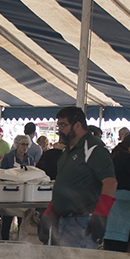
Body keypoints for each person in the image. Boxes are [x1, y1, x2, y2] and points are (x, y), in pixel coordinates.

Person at [39, 107, 117, 249]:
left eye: (63, 125)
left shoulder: (93, 148)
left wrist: (101, 214)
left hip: (82, 221)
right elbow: (64, 184)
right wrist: (49, 214)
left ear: (77, 125)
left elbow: (110, 182)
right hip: (64, 220)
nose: (59, 129)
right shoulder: (67, 151)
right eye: (58, 125)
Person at [0, 135, 35, 240]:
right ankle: (4, 242)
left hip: (24, 193)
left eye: (27, 144)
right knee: (7, 221)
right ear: (16, 145)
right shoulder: (8, 157)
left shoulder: (30, 159)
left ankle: (20, 242)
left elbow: (33, 174)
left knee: (22, 221)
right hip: (10, 192)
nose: (25, 147)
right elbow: (2, 174)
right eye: (23, 144)